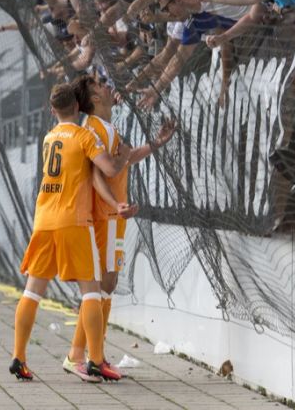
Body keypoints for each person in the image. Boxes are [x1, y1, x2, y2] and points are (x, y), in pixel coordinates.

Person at [10, 84, 133, 382]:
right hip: (74, 221)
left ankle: (19, 358)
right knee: (92, 290)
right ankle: (96, 361)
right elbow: (108, 168)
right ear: (78, 108)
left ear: (53, 111)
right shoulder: (84, 136)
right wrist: (124, 155)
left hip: (43, 220)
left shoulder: (49, 138)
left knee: (32, 291)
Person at [63, 75, 175, 380]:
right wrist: (115, 205)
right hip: (105, 218)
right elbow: (98, 174)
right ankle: (87, 356)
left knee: (102, 287)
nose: (107, 85)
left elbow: (123, 160)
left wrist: (157, 143)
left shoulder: (104, 129)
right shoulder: (95, 129)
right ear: (94, 99)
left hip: (112, 216)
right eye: (100, 84)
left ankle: (84, 354)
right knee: (103, 286)